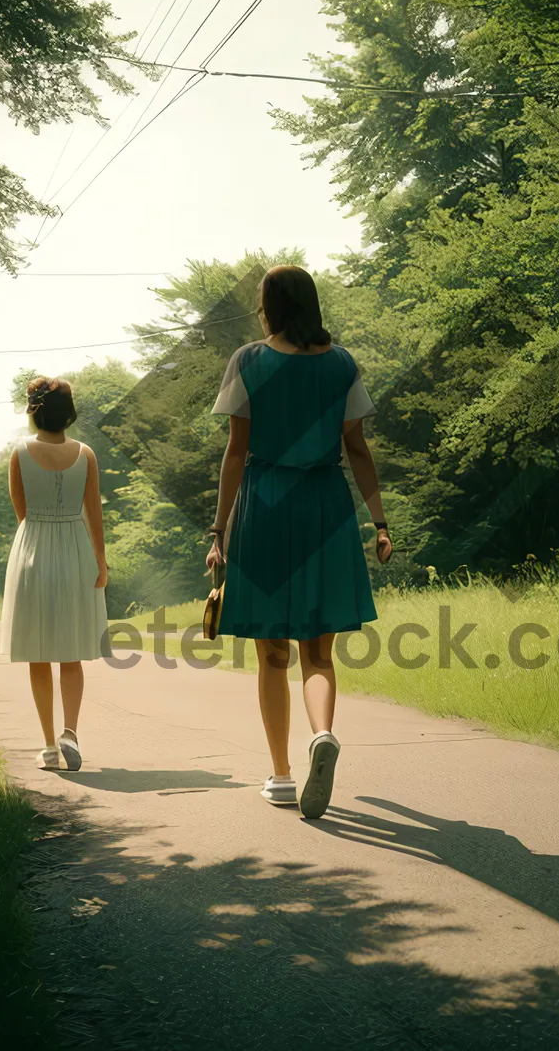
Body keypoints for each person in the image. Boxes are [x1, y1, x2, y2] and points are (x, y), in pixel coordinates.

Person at [207, 265, 392, 819]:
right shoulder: (341, 363)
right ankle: (323, 735)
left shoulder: (249, 360)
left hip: (264, 504)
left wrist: (218, 532)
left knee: (272, 652)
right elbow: (357, 448)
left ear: (269, 306)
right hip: (326, 506)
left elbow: (236, 451)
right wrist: (380, 523)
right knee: (318, 648)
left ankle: (282, 775)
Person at [0, 376, 110, 770]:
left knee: (38, 654)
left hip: (33, 552)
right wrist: (101, 561)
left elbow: (22, 513)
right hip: (76, 550)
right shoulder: (86, 454)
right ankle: (71, 732)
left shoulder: (20, 453)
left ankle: (48, 745)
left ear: (35, 410)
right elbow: (93, 513)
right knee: (72, 654)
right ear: (68, 412)